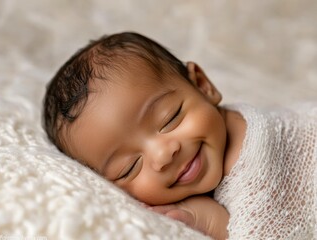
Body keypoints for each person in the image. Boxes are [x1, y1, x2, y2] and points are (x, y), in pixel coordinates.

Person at [43, 32, 317, 239]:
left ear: (202, 85)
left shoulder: (252, 153)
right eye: (129, 168)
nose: (164, 154)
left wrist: (217, 225)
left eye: (170, 118)